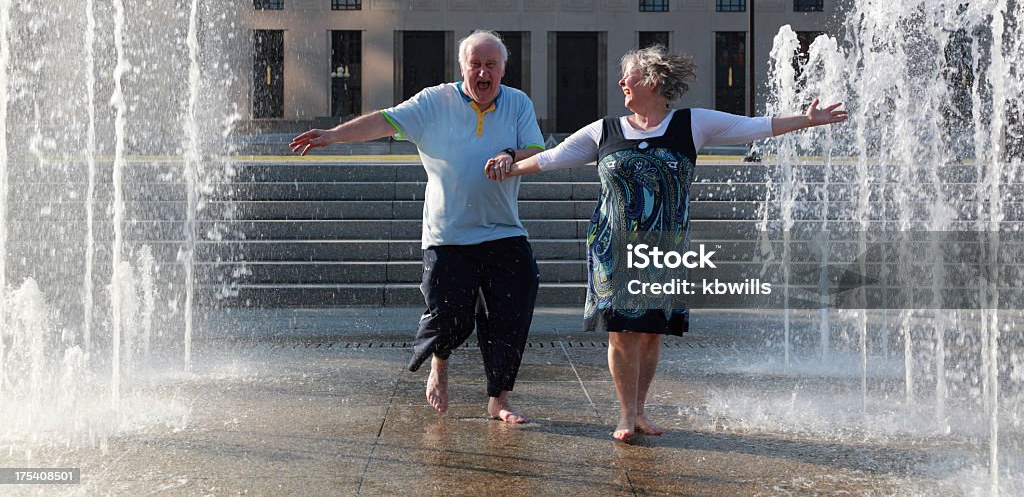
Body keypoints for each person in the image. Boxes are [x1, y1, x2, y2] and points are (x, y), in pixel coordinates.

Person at [485, 45, 847, 440]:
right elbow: (553, 158)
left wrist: (807, 121)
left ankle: (640, 410)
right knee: (622, 331)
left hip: (665, 248)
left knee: (652, 332)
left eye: (630, 76)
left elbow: (755, 125)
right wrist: (510, 167)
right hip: (614, 247)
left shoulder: (693, 124)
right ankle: (625, 414)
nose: (622, 82)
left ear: (654, 80)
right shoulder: (604, 130)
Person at [291, 30, 545, 423]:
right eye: (475, 65)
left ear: (503, 69)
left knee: (514, 309)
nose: (482, 72)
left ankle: (499, 398)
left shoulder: (518, 104)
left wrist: (511, 155)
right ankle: (439, 366)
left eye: (490, 65)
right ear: (462, 68)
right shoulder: (434, 102)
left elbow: (535, 148)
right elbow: (384, 120)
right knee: (450, 318)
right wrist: (333, 136)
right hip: (448, 235)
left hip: (503, 231)